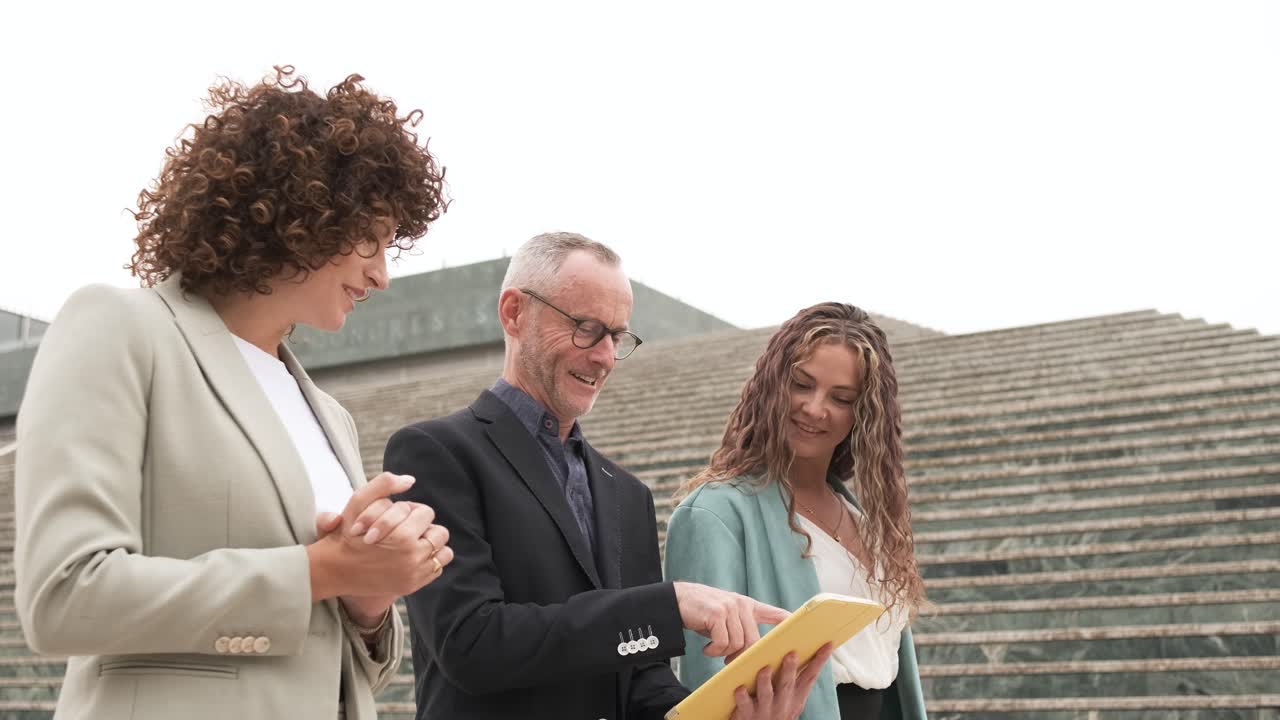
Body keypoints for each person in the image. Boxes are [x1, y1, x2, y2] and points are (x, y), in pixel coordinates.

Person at [14, 66, 453, 720]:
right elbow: (64, 594)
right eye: (371, 238)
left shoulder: (327, 414)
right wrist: (322, 570)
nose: (382, 276)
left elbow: (344, 658)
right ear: (301, 214)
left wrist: (369, 595)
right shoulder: (122, 329)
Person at [383, 232, 833, 720]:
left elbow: (641, 682)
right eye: (585, 327)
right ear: (514, 313)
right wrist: (667, 604)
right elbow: (471, 645)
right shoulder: (435, 454)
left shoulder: (627, 494)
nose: (604, 357)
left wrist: (726, 713)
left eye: (616, 336)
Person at [665, 302, 929, 720]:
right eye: (801, 384)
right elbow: (707, 687)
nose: (814, 408)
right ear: (772, 383)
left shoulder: (862, 519)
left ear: (862, 413)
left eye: (841, 397)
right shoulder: (715, 514)